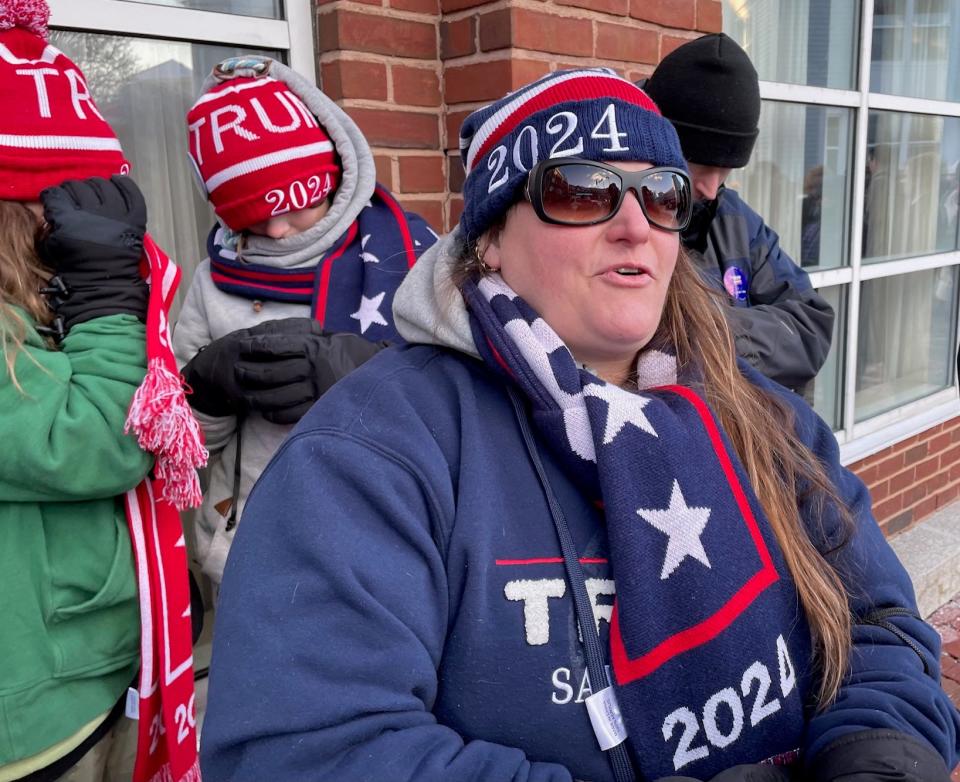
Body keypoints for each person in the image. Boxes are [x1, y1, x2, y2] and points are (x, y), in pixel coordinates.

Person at [199, 69, 960, 782]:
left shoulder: (761, 416)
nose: (635, 225)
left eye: (662, 195)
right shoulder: (372, 452)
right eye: (582, 189)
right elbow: (309, 748)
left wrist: (879, 753)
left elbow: (876, 619)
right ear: (489, 241)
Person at [0, 2, 204, 781]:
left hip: (88, 672)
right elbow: (101, 441)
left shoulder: (34, 304)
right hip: (37, 714)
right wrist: (111, 303)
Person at [172, 56, 437, 584]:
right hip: (254, 546)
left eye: (293, 205)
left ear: (332, 178)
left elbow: (467, 391)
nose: (275, 230)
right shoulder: (212, 279)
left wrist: (374, 371)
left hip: (388, 539)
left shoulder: (410, 254)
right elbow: (186, 445)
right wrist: (207, 390)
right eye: (250, 216)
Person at [642, 33, 834, 398]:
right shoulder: (613, 217)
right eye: (697, 165)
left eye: (726, 169)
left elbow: (811, 324)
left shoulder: (734, 220)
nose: (712, 189)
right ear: (658, 143)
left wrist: (705, 331)